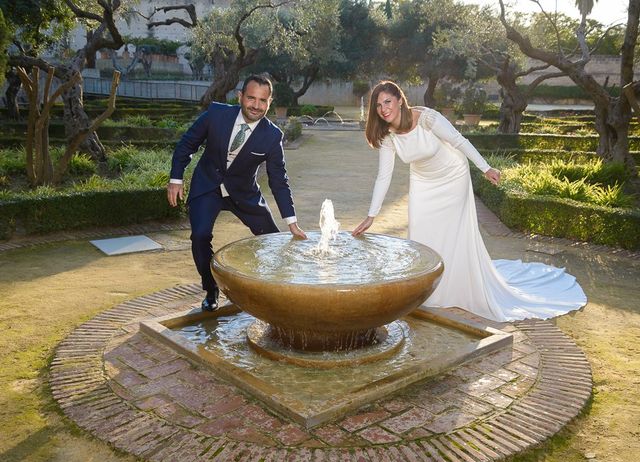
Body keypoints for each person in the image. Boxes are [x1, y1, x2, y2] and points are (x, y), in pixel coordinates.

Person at [352, 80, 586, 322]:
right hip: (423, 182)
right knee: (421, 234)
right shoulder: (388, 135)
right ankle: (427, 291)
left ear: (400, 100)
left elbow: (458, 141)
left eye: (387, 101)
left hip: (453, 176)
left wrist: (486, 168)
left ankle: (456, 288)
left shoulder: (427, 119)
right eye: (378, 105)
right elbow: (383, 176)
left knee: (453, 235)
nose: (383, 109)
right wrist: (372, 215)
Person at [168, 74, 307, 312]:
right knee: (200, 236)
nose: (256, 105)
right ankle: (211, 288)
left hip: (244, 193)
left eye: (263, 100)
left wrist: (291, 222)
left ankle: (272, 291)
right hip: (208, 185)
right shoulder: (216, 114)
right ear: (240, 96)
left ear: (269, 102)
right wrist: (176, 179)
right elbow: (187, 143)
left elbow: (278, 180)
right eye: (251, 98)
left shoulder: (272, 136)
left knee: (272, 240)